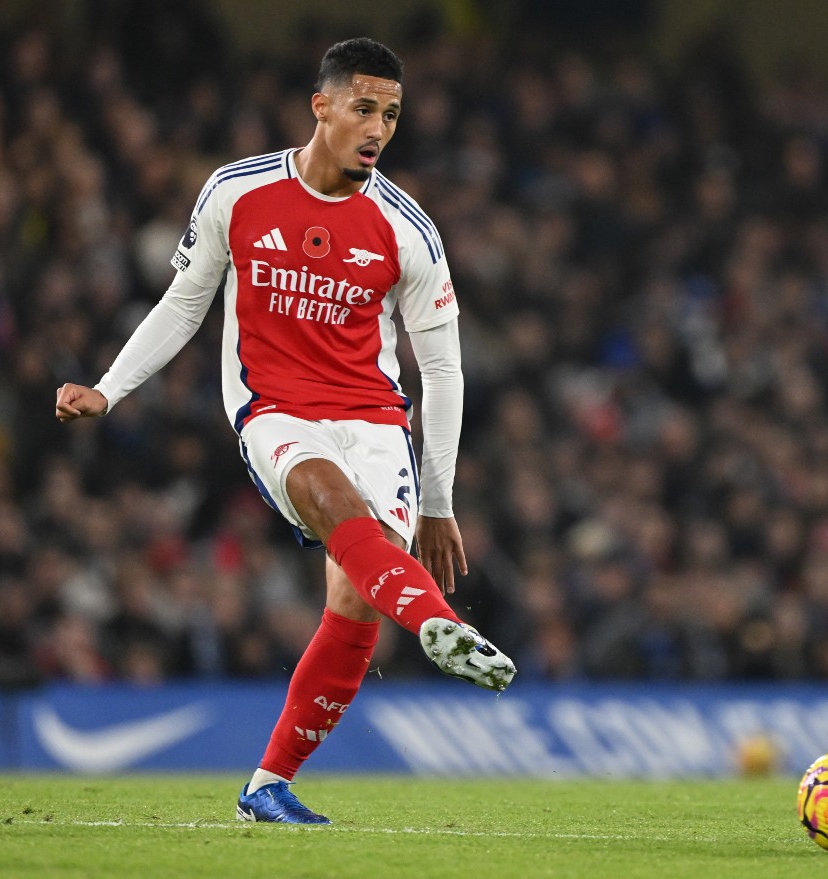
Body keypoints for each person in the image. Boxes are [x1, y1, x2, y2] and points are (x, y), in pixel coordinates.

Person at [54, 37, 515, 825]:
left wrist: (438, 503)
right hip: (274, 408)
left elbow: (442, 373)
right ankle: (437, 620)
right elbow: (183, 302)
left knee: (357, 595)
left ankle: (266, 783)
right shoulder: (238, 191)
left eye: (392, 115)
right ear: (322, 106)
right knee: (330, 501)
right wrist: (109, 388)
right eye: (364, 108)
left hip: (374, 417)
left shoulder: (408, 230)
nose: (378, 128)